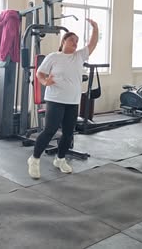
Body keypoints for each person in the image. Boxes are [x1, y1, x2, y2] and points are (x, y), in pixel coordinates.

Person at [27, 19, 98, 179]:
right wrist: (45, 82)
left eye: (77, 41)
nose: (75, 43)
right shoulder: (53, 57)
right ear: (64, 41)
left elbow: (92, 44)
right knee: (50, 130)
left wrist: (95, 28)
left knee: (68, 133)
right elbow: (39, 73)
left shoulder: (79, 56)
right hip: (55, 99)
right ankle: (34, 159)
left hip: (72, 101)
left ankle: (60, 159)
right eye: (72, 40)